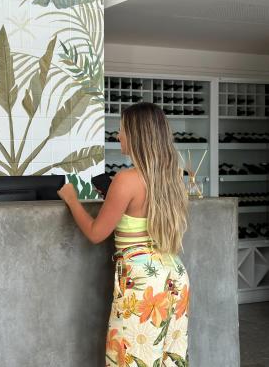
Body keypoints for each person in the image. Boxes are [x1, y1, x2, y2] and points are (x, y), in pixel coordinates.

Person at [58, 102, 190, 367]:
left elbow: (96, 233)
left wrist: (72, 200)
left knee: (131, 359)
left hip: (142, 287)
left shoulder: (126, 179)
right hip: (174, 277)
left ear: (136, 134)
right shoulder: (171, 176)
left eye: (121, 130)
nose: (118, 136)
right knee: (168, 360)